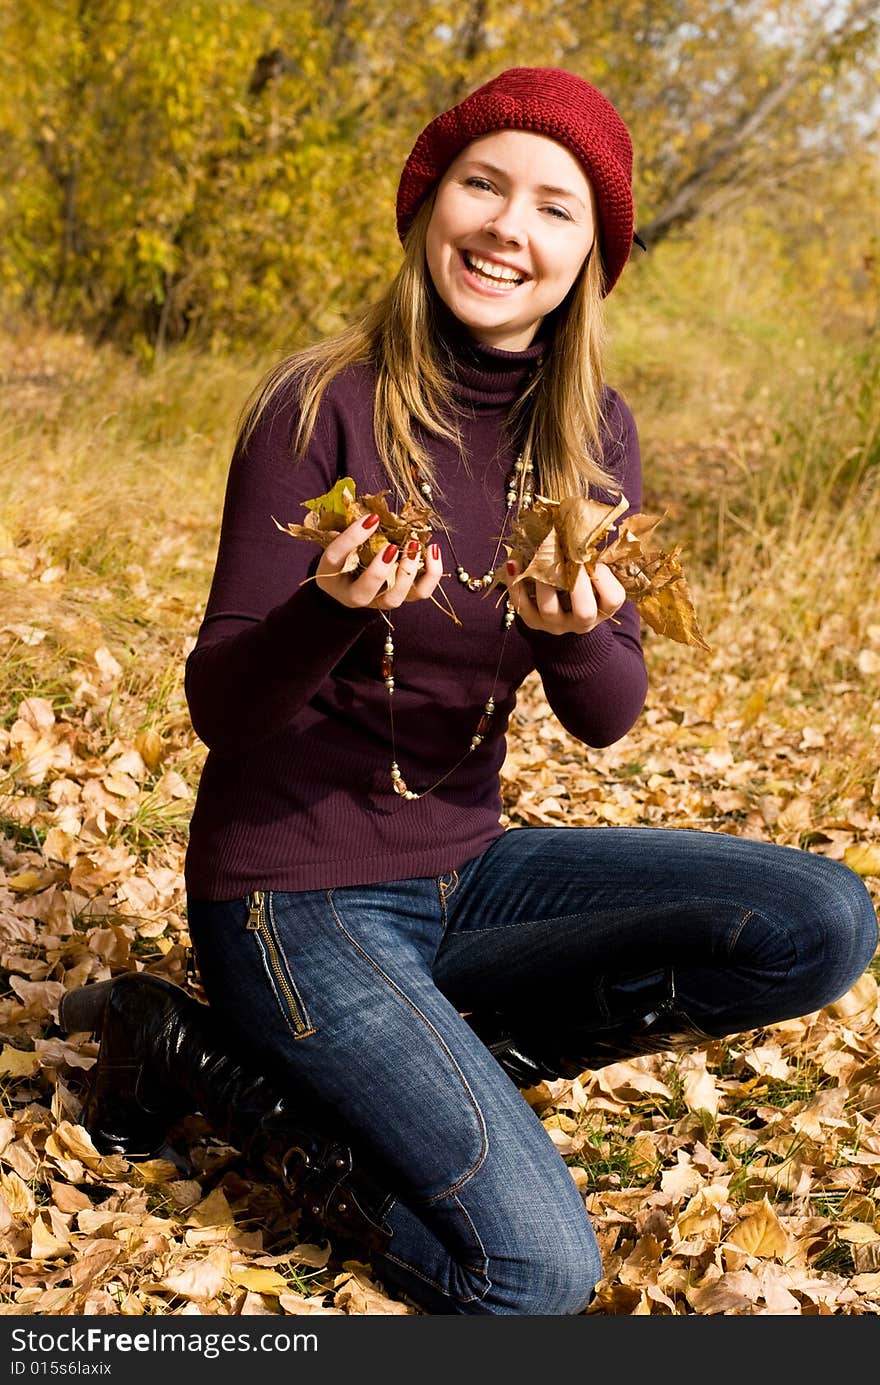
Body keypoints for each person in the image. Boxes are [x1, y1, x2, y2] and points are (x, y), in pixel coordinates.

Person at [59, 67, 878, 1316]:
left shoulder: (592, 428)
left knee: (821, 916)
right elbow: (222, 705)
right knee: (535, 1275)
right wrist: (332, 609)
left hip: (469, 870)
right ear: (426, 206)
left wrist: (572, 633)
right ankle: (221, 1067)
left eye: (555, 207)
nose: (509, 227)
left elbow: (606, 716)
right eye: (482, 186)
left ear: (591, 256)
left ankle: (444, 1061)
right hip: (294, 896)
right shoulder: (317, 403)